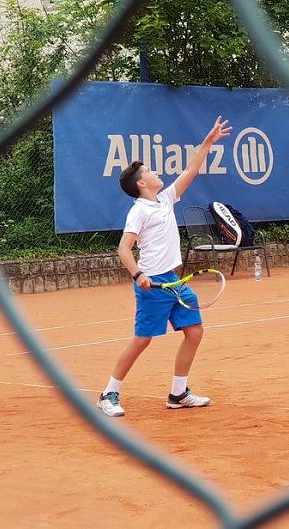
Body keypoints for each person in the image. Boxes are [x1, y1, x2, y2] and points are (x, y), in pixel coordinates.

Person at [97, 116, 232, 417]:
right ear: (142, 183)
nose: (157, 173)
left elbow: (191, 170)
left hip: (173, 280)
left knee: (194, 331)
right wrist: (138, 274)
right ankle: (109, 393)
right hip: (152, 283)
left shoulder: (165, 199)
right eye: (150, 171)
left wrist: (208, 141)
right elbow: (123, 248)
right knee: (142, 340)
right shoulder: (139, 211)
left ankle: (178, 393)